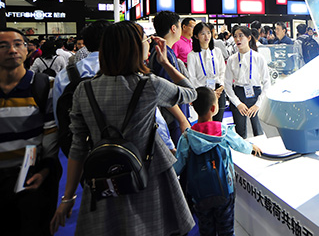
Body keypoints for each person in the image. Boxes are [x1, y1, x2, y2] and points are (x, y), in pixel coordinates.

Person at [50, 21, 197, 235]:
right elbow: (190, 92)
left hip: (104, 177)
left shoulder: (84, 89)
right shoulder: (149, 84)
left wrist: (68, 197)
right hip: (149, 173)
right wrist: (165, 62)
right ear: (134, 48)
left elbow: (78, 147)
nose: (149, 43)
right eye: (145, 39)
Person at [174, 87, 261, 236]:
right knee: (226, 229)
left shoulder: (187, 137)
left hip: (199, 194)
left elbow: (177, 166)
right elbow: (241, 145)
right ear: (214, 108)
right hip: (224, 190)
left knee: (206, 229)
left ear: (193, 107)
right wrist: (252, 147)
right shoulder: (223, 131)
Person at [0, 27, 60, 236]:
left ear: (28, 50)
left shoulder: (44, 85)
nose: (12, 50)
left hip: (31, 178)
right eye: (3, 46)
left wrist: (45, 170)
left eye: (18, 44)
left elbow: (51, 132)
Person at [150, 11, 191, 146]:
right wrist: (182, 119)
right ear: (174, 28)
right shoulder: (163, 54)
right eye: (179, 26)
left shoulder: (165, 51)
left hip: (175, 116)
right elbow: (165, 92)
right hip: (172, 119)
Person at [224, 26, 270, 138]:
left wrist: (258, 104)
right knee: (240, 132)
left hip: (256, 94)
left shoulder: (258, 57)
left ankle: (260, 148)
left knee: (258, 131)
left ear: (249, 38)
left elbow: (267, 82)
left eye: (241, 36)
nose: (237, 39)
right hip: (238, 94)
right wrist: (237, 103)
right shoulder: (232, 59)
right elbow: (227, 84)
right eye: (235, 36)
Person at [187, 22, 226, 122]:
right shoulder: (192, 55)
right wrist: (209, 93)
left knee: (218, 122)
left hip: (218, 90)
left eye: (208, 33)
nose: (207, 36)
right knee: (205, 123)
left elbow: (222, 71)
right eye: (203, 33)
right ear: (196, 36)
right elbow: (192, 77)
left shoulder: (217, 51)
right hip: (202, 93)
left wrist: (221, 86)